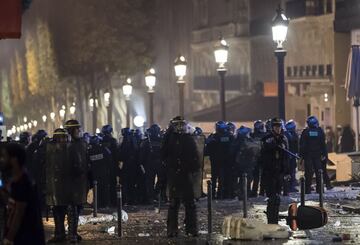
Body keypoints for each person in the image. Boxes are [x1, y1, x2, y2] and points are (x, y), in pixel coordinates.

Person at [162, 117, 201, 237]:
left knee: (190, 203)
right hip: (175, 174)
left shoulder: (188, 139)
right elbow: (163, 155)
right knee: (174, 203)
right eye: (177, 125)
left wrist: (192, 169)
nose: (179, 127)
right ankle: (172, 230)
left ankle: (191, 229)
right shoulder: (169, 139)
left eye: (181, 124)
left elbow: (195, 156)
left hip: (186, 174)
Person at [3, 143, 45, 245]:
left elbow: (19, 213)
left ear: (14, 160)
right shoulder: (16, 180)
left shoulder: (24, 182)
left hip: (27, 237)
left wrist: (9, 238)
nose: (2, 160)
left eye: (5, 157)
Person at [261, 118, 289, 224]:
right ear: (272, 127)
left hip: (279, 172)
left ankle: (275, 218)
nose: (278, 129)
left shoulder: (283, 138)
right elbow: (263, 154)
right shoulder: (267, 138)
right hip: (269, 172)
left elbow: (286, 157)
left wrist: (286, 172)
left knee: (277, 197)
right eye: (276, 127)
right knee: (271, 197)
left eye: (279, 127)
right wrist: (272, 146)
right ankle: (270, 219)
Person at [205, 121, 234, 199]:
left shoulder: (218, 136)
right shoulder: (215, 136)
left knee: (219, 178)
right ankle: (217, 194)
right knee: (218, 179)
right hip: (219, 161)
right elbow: (207, 148)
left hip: (222, 161)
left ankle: (218, 194)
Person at [299, 116, 327, 194]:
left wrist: (301, 156)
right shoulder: (320, 131)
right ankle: (320, 189)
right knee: (319, 172)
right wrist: (324, 154)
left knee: (308, 173)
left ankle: (307, 190)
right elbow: (323, 144)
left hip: (308, 156)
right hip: (317, 156)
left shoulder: (305, 132)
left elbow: (302, 145)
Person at [139, 124, 165, 204]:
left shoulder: (146, 142)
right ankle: (154, 195)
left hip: (151, 164)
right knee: (157, 180)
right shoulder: (161, 141)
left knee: (151, 181)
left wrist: (142, 163)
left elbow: (141, 155)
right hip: (155, 164)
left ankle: (153, 196)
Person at [234, 126, 258, 200]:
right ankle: (244, 194)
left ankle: (243, 194)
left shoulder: (237, 141)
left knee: (243, 179)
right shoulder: (245, 141)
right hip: (246, 164)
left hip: (243, 164)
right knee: (246, 179)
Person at [101, 125, 118, 206]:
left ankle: (104, 201)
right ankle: (113, 201)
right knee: (112, 184)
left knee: (104, 184)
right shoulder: (113, 141)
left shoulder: (101, 141)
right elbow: (117, 154)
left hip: (103, 167)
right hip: (112, 166)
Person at [250, 120, 266, 197]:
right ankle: (255, 191)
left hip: (262, 157)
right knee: (256, 176)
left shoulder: (265, 135)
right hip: (255, 157)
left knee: (262, 176)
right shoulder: (252, 135)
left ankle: (261, 191)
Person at [285, 120, 299, 193]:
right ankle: (288, 187)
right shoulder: (286, 134)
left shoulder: (294, 134)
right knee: (289, 172)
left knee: (292, 171)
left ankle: (291, 186)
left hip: (292, 155)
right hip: (288, 156)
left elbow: (297, 145)